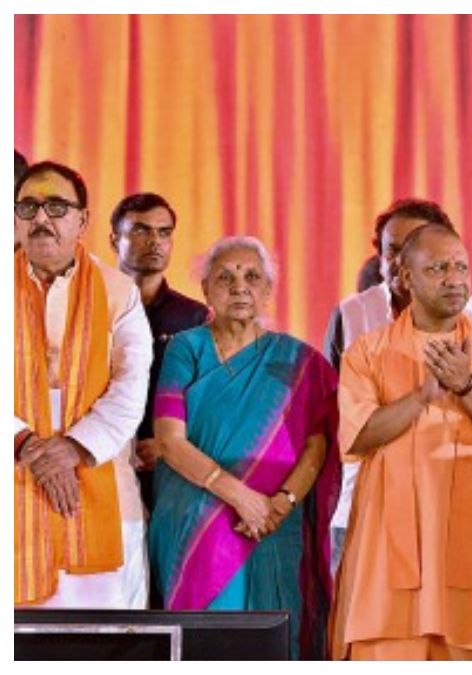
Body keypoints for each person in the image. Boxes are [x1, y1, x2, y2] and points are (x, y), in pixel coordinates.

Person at [329, 223, 472, 660]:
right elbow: (358, 434)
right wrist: (422, 395)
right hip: (389, 548)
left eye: (461, 267)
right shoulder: (366, 351)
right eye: (438, 268)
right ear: (405, 277)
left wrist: (466, 387)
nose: (454, 279)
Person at [145, 236, 341, 659]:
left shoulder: (298, 362)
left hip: (273, 524)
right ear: (205, 289)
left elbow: (318, 443)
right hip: (197, 518)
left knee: (272, 640)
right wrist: (243, 499)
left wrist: (280, 505)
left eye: (252, 277)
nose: (239, 287)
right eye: (225, 278)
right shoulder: (186, 348)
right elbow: (169, 441)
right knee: (205, 646)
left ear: (268, 290)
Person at [322, 197, 472, 572]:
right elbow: (333, 419)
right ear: (379, 256)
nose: (402, 262)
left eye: (416, 247)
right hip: (362, 506)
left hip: (453, 508)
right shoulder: (350, 315)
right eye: (393, 251)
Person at [14, 160, 153, 608]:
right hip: (12, 471)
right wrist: (25, 443)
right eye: (28, 207)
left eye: (56, 206)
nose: (41, 218)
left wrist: (74, 447)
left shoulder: (119, 291)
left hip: (100, 473)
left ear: (83, 220)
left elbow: (131, 385)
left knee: (103, 629)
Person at [109, 193, 208, 510]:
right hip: (100, 459)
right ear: (114, 240)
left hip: (170, 473)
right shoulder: (91, 306)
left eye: (164, 232)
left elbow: (208, 399)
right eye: (141, 230)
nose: (155, 241)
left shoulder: (194, 318)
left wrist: (168, 443)